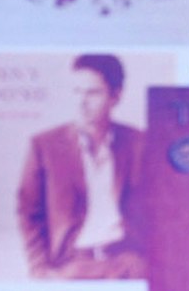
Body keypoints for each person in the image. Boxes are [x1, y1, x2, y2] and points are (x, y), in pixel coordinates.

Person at [15, 53, 147, 279]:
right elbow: (28, 212)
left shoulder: (139, 143)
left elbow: (159, 210)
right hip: (72, 266)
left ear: (115, 96)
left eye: (92, 93)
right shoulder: (45, 146)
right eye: (76, 92)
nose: (82, 102)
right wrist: (39, 271)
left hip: (128, 265)